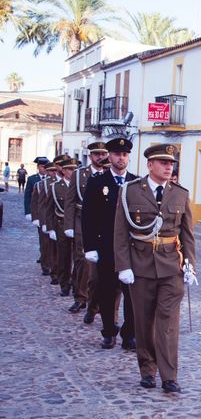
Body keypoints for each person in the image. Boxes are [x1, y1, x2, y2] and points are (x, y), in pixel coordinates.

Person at [114, 143, 196, 393]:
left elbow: (188, 233)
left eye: (171, 163)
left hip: (171, 267)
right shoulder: (130, 191)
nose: (169, 166)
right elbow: (120, 231)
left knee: (168, 322)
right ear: (150, 165)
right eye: (164, 162)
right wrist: (123, 266)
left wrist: (190, 264)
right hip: (141, 267)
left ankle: (169, 376)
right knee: (144, 321)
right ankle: (147, 369)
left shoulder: (180, 193)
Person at [82, 138, 136, 350]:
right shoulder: (97, 182)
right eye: (116, 154)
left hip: (131, 249)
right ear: (109, 156)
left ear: (128, 157)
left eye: (124, 155)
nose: (120, 158)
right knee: (106, 291)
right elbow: (88, 216)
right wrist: (90, 247)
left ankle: (129, 333)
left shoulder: (136, 183)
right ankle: (108, 331)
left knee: (131, 294)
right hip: (106, 247)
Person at [64, 141, 108, 317]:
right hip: (82, 221)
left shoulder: (109, 173)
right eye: (96, 154)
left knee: (102, 264)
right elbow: (70, 200)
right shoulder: (79, 174)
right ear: (90, 156)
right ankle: (81, 297)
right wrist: (69, 226)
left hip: (104, 223)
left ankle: (96, 301)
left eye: (103, 154)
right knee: (82, 261)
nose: (100, 157)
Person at [47, 158, 79, 297]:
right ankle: (64, 283)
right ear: (64, 171)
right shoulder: (55, 187)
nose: (73, 172)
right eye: (70, 169)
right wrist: (50, 228)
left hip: (77, 224)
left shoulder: (80, 185)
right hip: (61, 224)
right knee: (64, 256)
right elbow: (49, 209)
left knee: (79, 257)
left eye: (75, 169)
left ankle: (76, 284)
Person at [24, 157, 49, 271]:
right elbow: (27, 196)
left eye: (45, 167)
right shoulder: (32, 179)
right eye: (42, 167)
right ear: (38, 167)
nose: (44, 169)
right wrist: (29, 212)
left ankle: (46, 256)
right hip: (38, 213)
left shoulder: (51, 179)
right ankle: (43, 255)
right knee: (42, 236)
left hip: (49, 212)